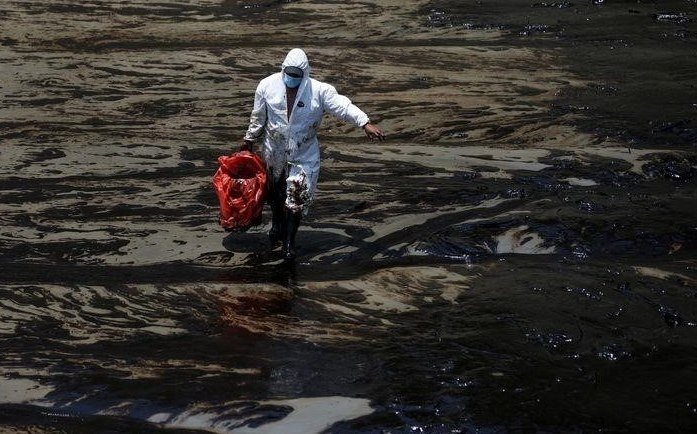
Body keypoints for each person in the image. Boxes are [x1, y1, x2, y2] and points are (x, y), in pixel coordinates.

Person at [241, 48, 385, 260]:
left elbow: (342, 106)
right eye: (289, 74)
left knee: (297, 197)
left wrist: (364, 122)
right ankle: (277, 226)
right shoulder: (267, 85)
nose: (292, 79)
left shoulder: (319, 91)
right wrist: (249, 140)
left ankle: (289, 243)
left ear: (305, 74)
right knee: (276, 193)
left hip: (304, 154)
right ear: (282, 70)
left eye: (296, 76)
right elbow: (258, 116)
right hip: (274, 150)